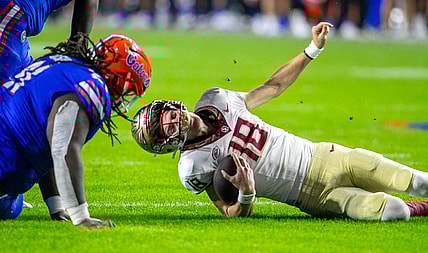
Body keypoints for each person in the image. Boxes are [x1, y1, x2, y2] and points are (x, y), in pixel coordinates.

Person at [131, 21, 428, 221]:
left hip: (323, 156)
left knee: (416, 180)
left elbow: (273, 87)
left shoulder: (217, 98)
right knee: (394, 210)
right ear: (165, 144)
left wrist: (312, 50)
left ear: (168, 105)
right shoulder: (192, 166)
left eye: (165, 116)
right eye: (163, 130)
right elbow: (228, 210)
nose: (171, 122)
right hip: (313, 198)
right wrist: (246, 194)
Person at [0, 33, 152, 227]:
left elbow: (45, 138)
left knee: (11, 203)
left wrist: (56, 205)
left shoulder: (63, 63)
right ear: (119, 79)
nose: (125, 97)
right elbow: (62, 148)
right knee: (8, 206)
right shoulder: (91, 88)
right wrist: (80, 215)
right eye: (128, 89)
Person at [0, 0, 99, 83]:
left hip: (18, 11)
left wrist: (78, 45)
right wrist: (78, 45)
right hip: (14, 8)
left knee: (23, 86)